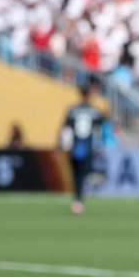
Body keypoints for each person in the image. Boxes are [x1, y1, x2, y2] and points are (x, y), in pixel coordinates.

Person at [59, 78, 108, 215]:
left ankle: (78, 199)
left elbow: (66, 130)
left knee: (76, 174)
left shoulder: (72, 110)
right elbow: (100, 128)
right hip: (87, 147)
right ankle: (79, 199)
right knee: (83, 174)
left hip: (75, 146)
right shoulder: (94, 111)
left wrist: (64, 147)